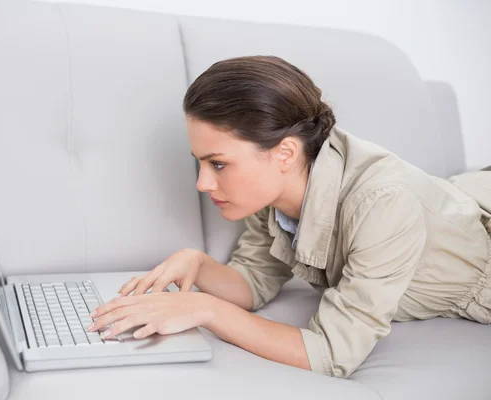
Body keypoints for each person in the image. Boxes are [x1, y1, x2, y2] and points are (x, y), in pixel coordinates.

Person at [87, 55, 491, 378]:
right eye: (200, 164)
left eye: (219, 164)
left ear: (285, 152)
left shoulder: (382, 204)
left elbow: (332, 354)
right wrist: (197, 262)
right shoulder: (276, 189)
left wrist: (205, 309)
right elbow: (254, 281)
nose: (202, 184)